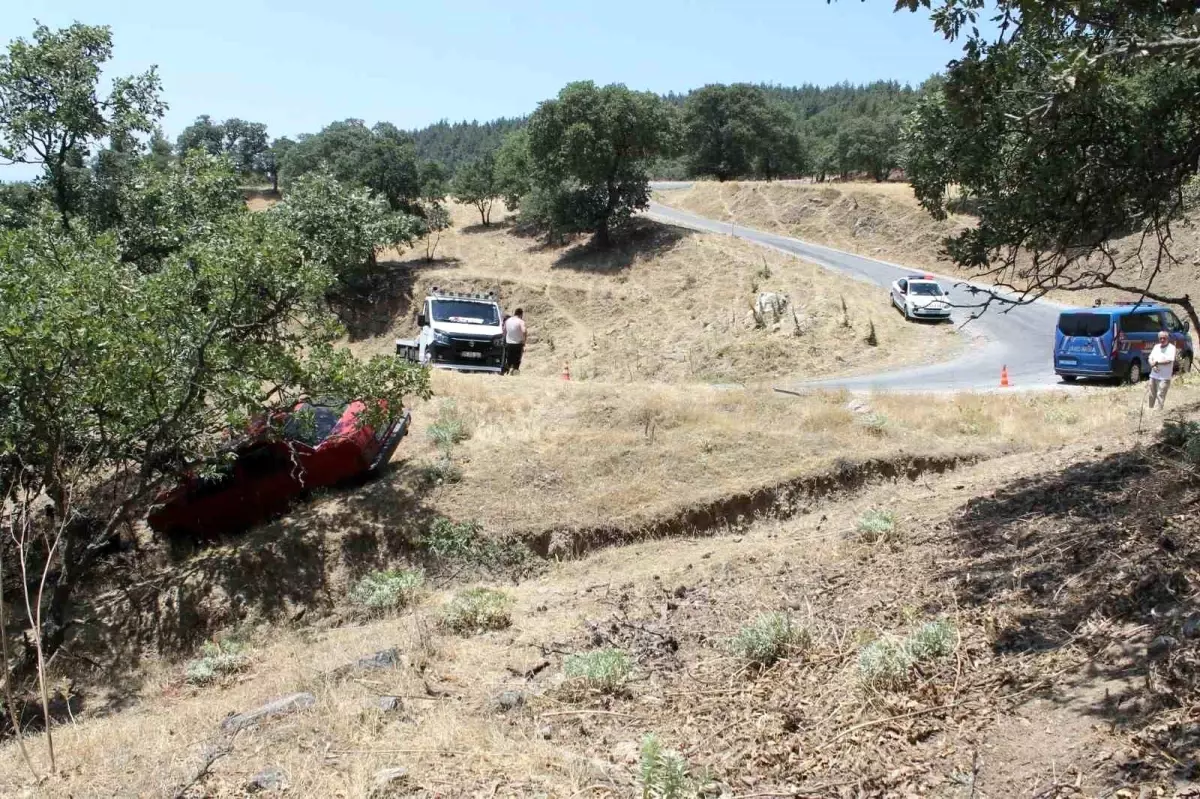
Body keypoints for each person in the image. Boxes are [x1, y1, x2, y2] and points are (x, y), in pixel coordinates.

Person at [1147, 329, 1177, 410]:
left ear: (1168, 338)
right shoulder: (1156, 347)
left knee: (1160, 395)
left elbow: (1169, 360)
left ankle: (1158, 412)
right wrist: (1152, 365)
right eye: (1160, 338)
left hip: (1164, 377)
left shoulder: (1171, 348)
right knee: (1151, 394)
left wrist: (1157, 363)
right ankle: (1150, 410)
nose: (1162, 340)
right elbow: (1150, 358)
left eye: (1164, 338)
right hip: (1153, 375)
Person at [502, 308, 526, 375]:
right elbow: (524, 331)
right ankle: (515, 372)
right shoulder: (521, 321)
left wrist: (505, 340)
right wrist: (524, 342)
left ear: (515, 313)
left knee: (509, 359)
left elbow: (504, 332)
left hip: (508, 343)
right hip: (518, 344)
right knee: (517, 360)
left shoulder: (508, 321)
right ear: (521, 314)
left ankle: (503, 371)